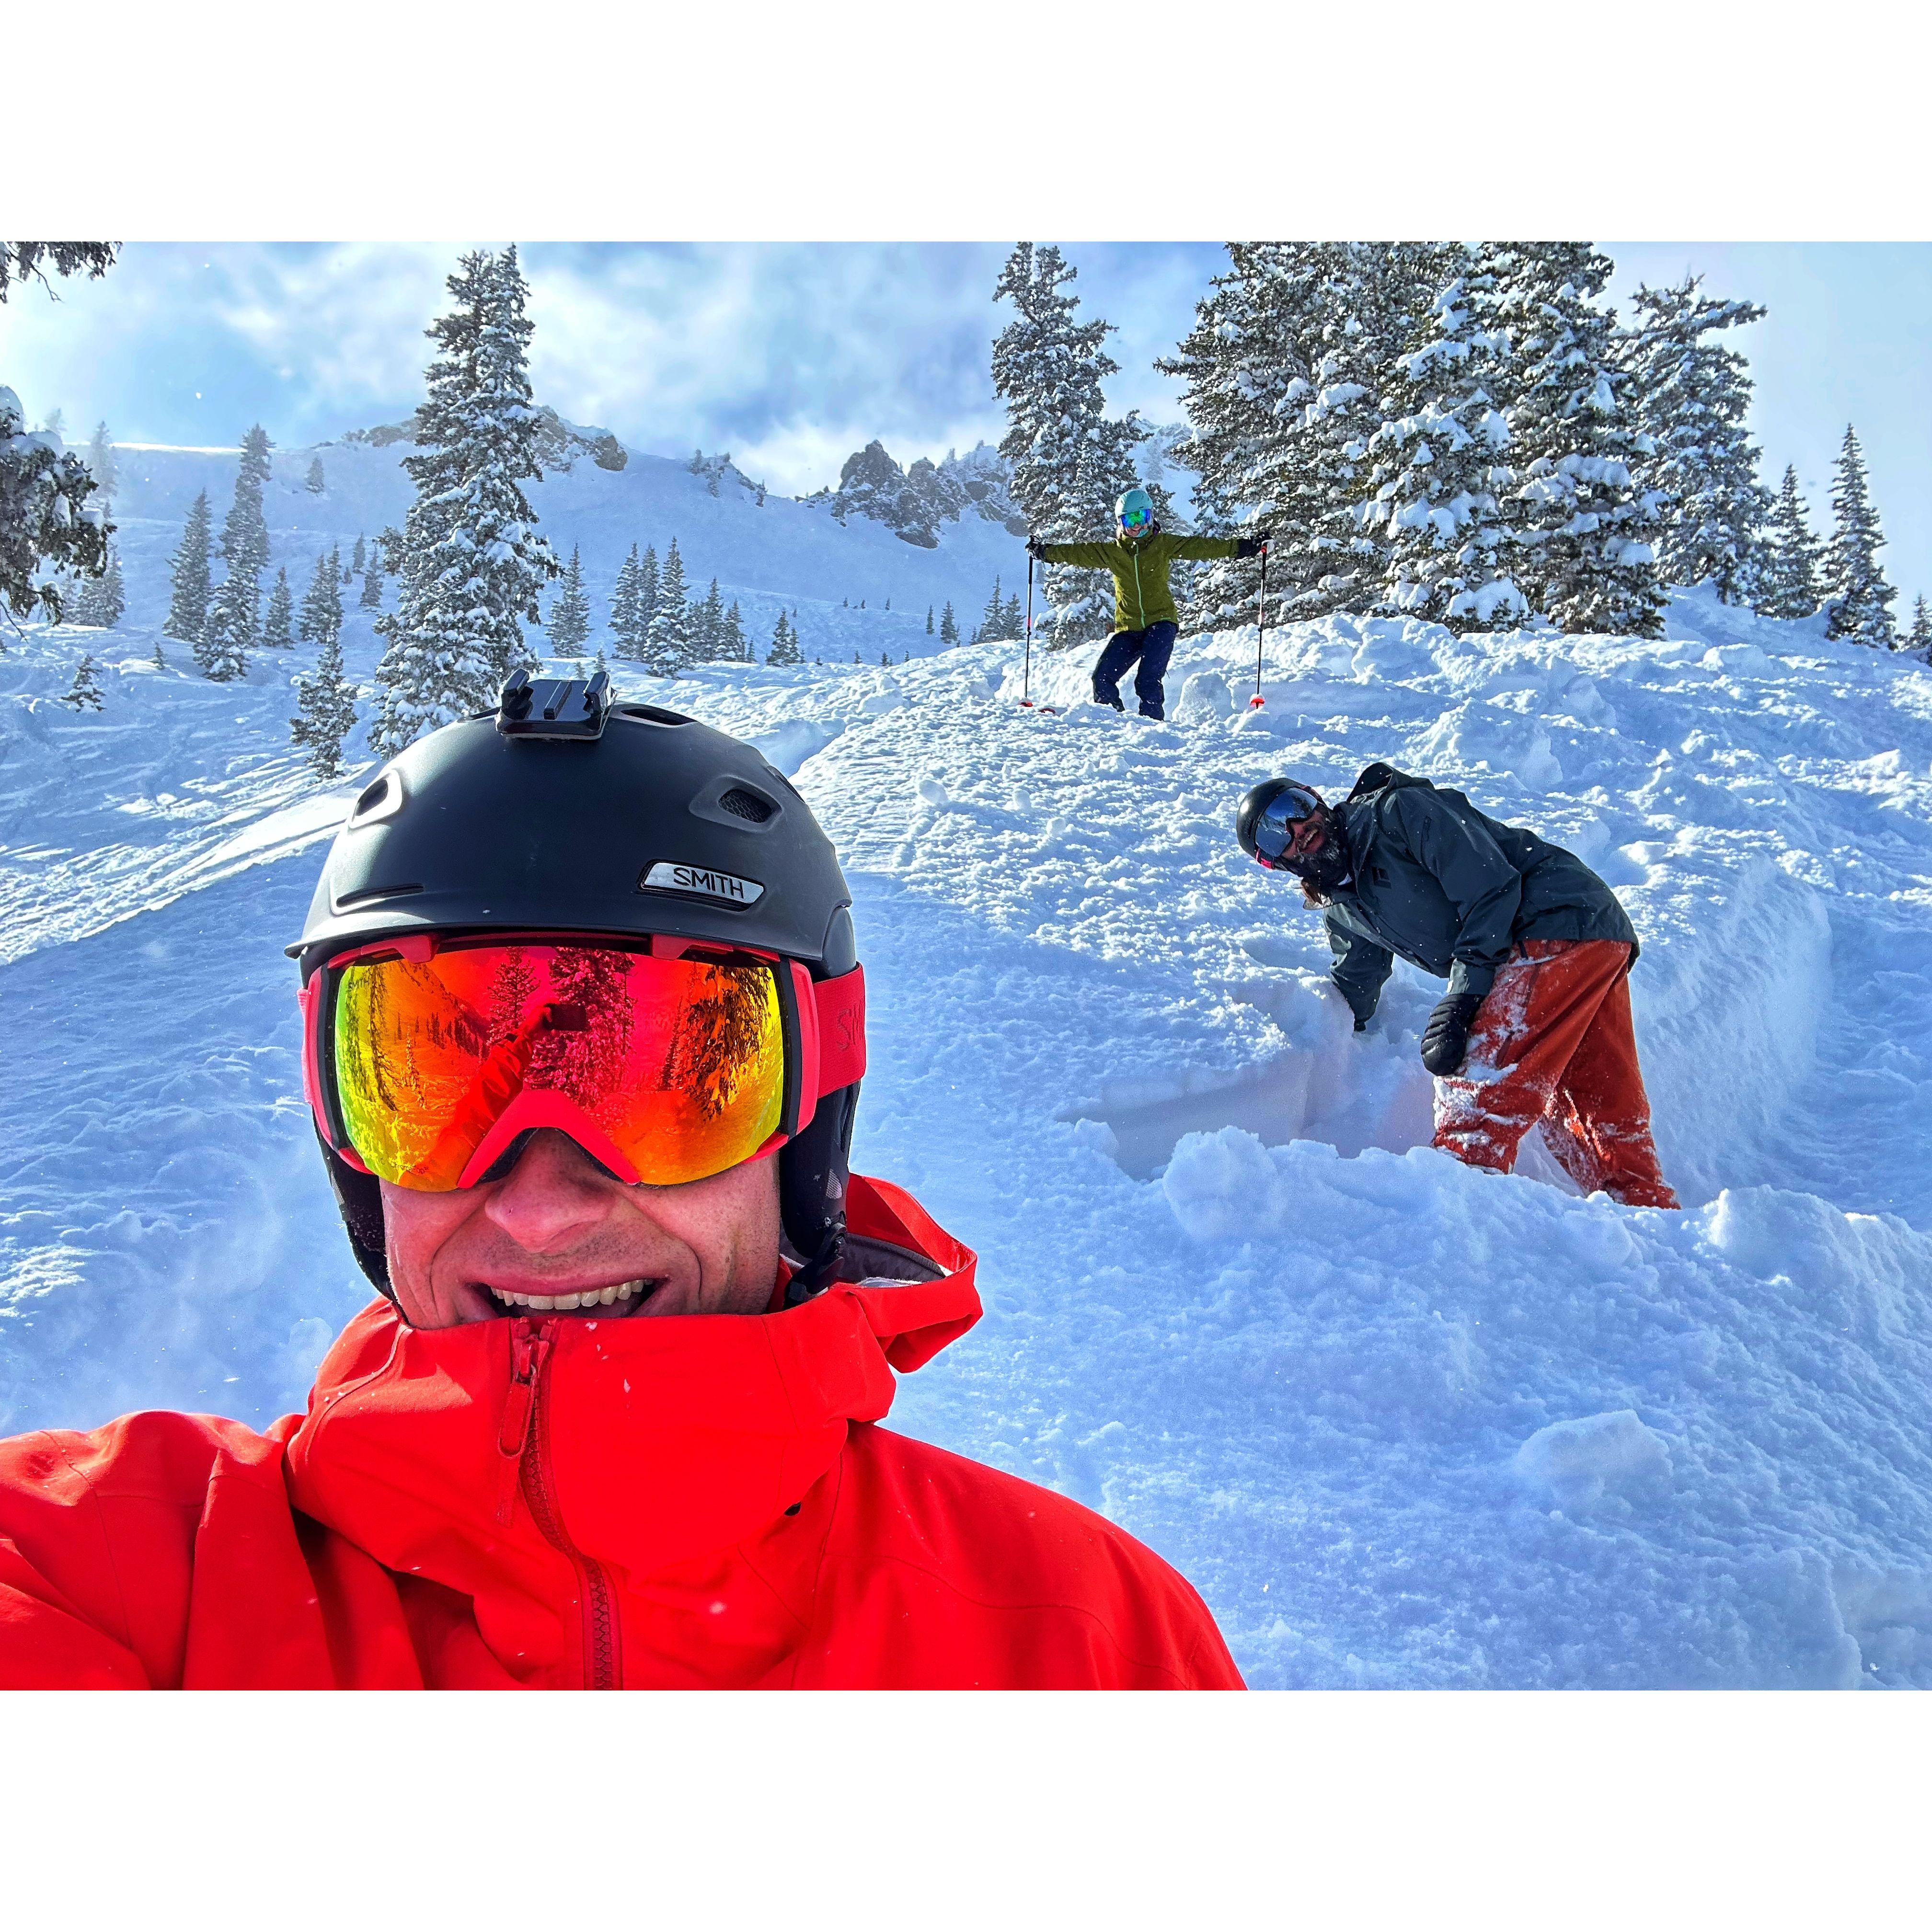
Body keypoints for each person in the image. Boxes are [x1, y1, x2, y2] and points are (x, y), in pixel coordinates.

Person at [0, 678, 1242, 1690]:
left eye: (674, 1077)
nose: (540, 1205)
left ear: (806, 1130)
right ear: (348, 1145)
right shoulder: (114, 1576)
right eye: (431, 1084)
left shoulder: (1085, 1649)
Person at [1236, 761, 1679, 1210]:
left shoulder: (1398, 813)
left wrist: (1465, 996)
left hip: (1551, 920)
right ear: (1274, 863)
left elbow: (1491, 888)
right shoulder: (1344, 909)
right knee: (1592, 1108)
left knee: (1479, 1093)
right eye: (1276, 833)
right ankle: (1647, 1218)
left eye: (1297, 806)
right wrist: (1315, 1030)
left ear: (1315, 798)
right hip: (1587, 940)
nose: (1297, 826)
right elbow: (1355, 982)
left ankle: (1452, 1222)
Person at [1027, 487, 1266, 719]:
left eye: (1143, 517)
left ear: (1151, 517)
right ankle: (1114, 723)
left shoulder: (1163, 545)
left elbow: (1203, 547)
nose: (1138, 526)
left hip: (1161, 623)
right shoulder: (1112, 552)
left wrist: (1244, 547)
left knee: (1148, 680)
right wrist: (1045, 552)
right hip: (1129, 628)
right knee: (1101, 678)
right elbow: (1077, 553)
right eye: (1131, 520)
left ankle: (1151, 728)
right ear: (1121, 523)